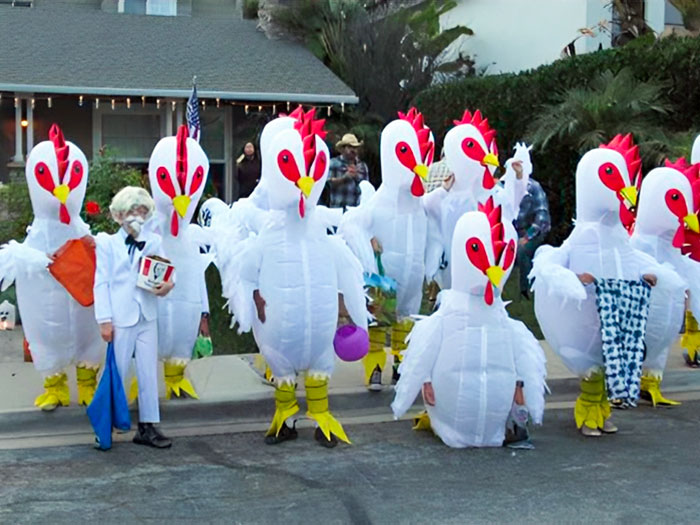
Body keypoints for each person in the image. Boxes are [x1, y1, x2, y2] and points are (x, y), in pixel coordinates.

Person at [94, 186, 174, 448]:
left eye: (142, 210)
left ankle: (148, 426)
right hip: (120, 317)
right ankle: (106, 425)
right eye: (131, 210)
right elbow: (101, 282)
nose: (137, 216)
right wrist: (104, 319)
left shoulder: (153, 241)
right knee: (116, 371)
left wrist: (168, 286)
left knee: (148, 371)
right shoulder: (107, 243)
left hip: (147, 315)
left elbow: (169, 273)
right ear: (119, 215)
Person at [514, 175, 551, 299]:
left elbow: (542, 217)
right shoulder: (507, 185)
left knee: (522, 251)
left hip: (534, 230)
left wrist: (526, 237)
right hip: (515, 230)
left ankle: (527, 289)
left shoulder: (534, 187)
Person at [327, 133, 369, 210]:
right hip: (338, 210)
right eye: (350, 147)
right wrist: (345, 178)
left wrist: (357, 178)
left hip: (356, 212)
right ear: (342, 149)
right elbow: (328, 185)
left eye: (355, 147)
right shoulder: (333, 163)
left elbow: (367, 190)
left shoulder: (362, 167)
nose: (353, 150)